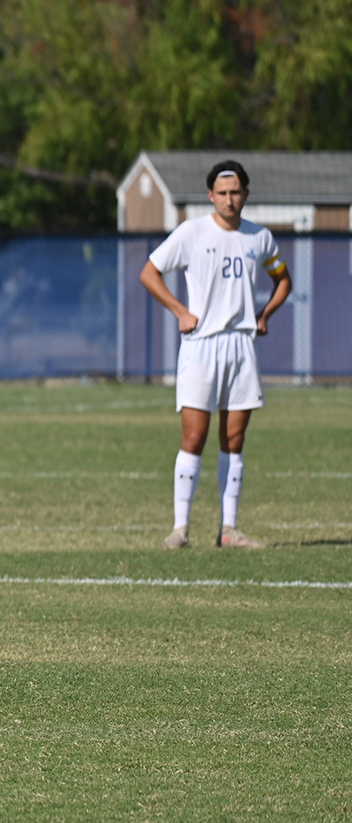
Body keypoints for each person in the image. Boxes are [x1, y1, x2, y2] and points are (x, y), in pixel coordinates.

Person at [139, 160, 291, 550]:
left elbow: (282, 279)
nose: (229, 199)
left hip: (240, 345)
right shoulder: (192, 232)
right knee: (194, 436)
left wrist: (265, 315)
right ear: (211, 196)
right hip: (201, 345)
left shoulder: (259, 238)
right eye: (222, 193)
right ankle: (180, 528)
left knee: (234, 438)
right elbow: (149, 272)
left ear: (245, 195)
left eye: (235, 192)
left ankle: (229, 530)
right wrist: (180, 311)